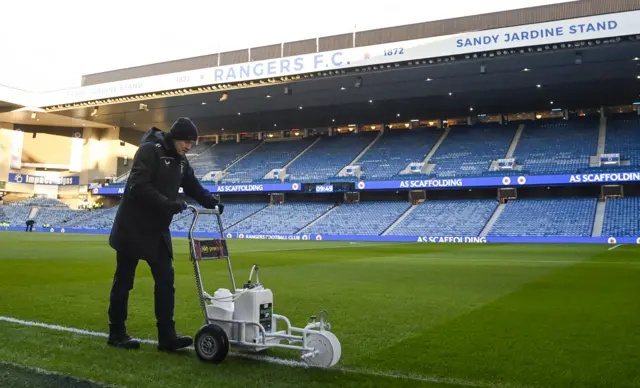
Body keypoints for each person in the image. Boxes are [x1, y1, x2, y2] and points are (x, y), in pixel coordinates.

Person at [107, 117, 224, 351]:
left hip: (157, 229)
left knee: (165, 281)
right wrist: (167, 203)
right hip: (132, 226)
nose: (188, 147)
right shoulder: (150, 151)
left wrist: (211, 201)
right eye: (186, 142)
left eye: (191, 143)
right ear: (175, 137)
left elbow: (192, 186)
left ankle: (167, 336)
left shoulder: (181, 161)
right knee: (124, 282)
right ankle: (117, 333)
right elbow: (138, 186)